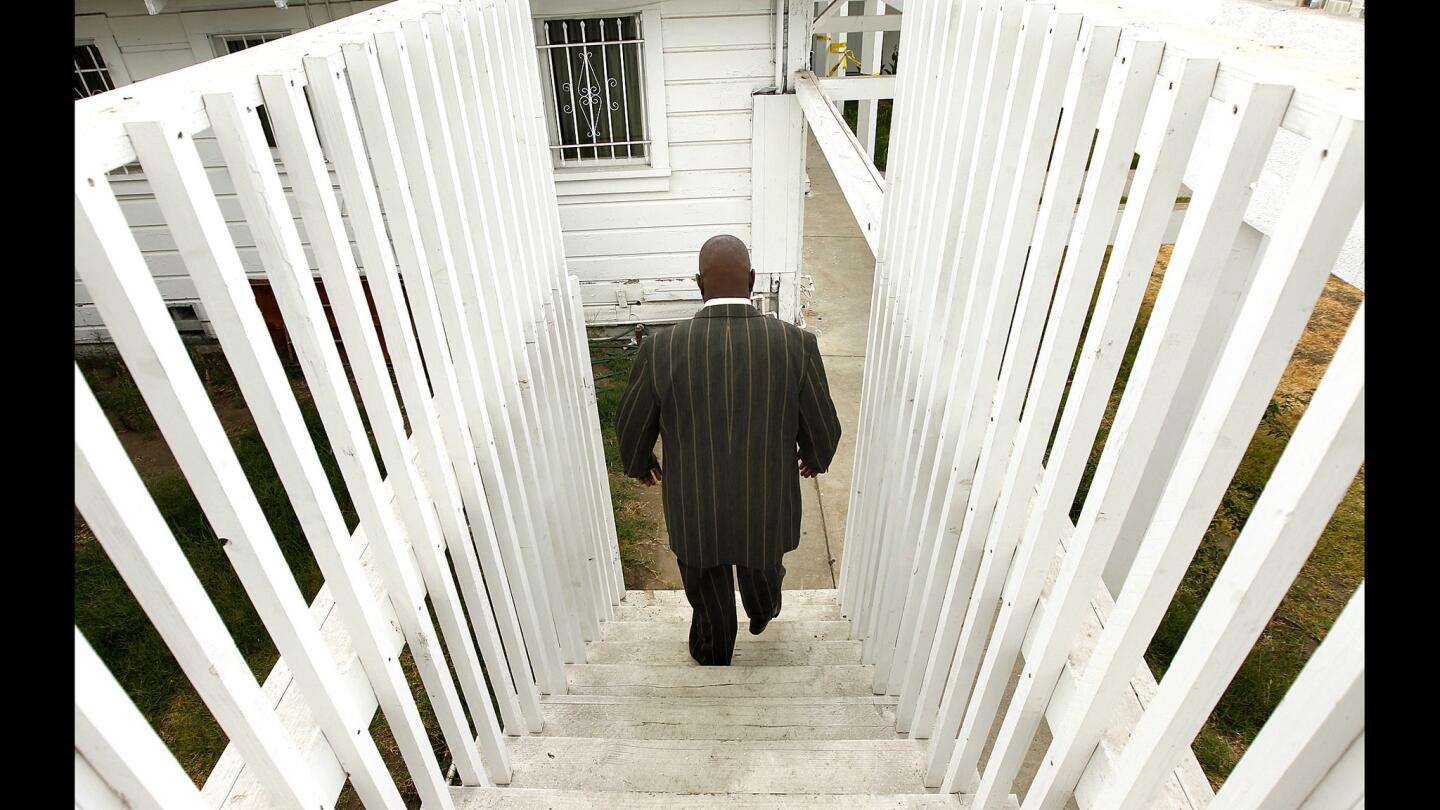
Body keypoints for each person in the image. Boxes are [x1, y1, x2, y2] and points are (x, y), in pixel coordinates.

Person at [615, 234, 842, 665]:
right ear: (752, 280)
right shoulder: (796, 344)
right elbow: (822, 421)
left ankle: (714, 649)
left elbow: (631, 419)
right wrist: (816, 455)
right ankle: (762, 609)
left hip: (695, 503)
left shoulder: (662, 348)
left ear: (699, 284)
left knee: (704, 580)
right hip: (766, 496)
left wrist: (639, 460)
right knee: (762, 560)